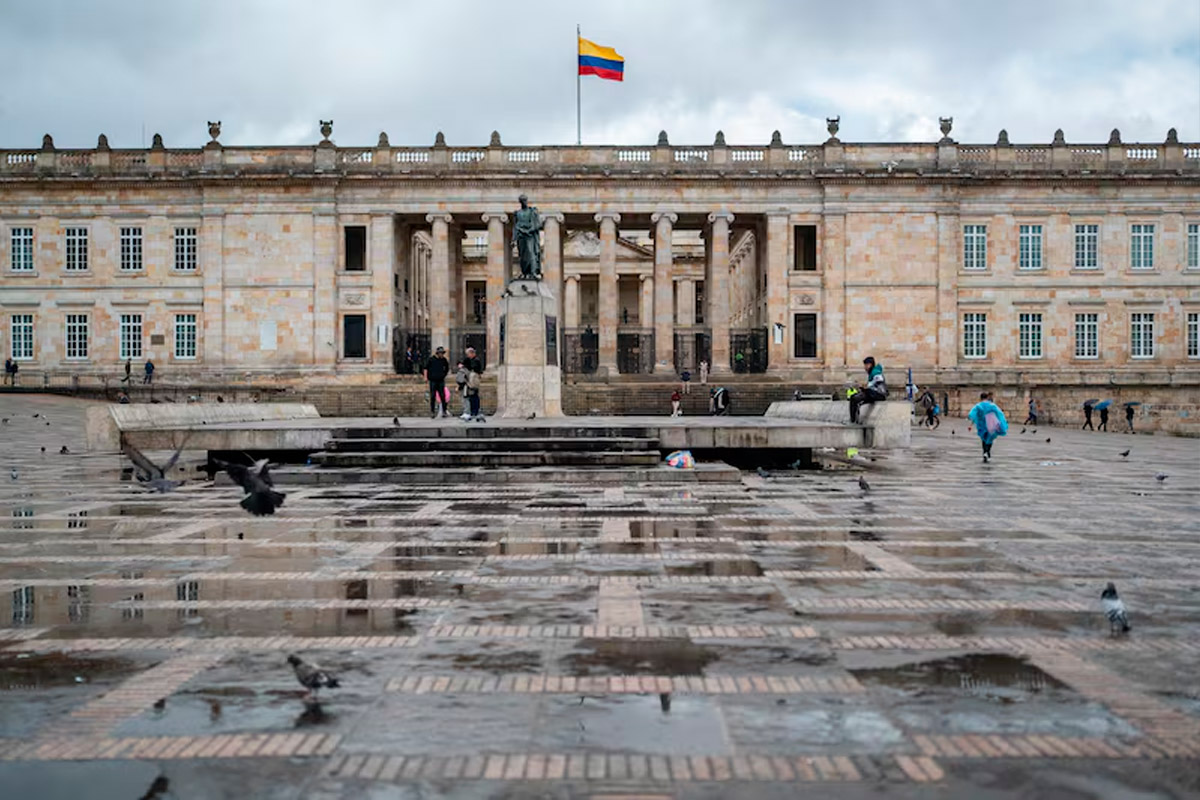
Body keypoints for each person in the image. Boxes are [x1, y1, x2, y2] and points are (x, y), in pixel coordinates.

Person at [968, 391, 1008, 463]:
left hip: (982, 425)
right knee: (990, 438)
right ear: (987, 397)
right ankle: (988, 451)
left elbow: (972, 415)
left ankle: (984, 452)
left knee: (984, 438)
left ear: (980, 398)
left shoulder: (978, 406)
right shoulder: (992, 405)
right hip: (991, 424)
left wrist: (971, 425)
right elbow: (999, 413)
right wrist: (1001, 422)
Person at [849, 356, 887, 424]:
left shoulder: (876, 372)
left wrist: (866, 388)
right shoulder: (872, 373)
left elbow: (878, 383)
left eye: (866, 365)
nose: (865, 367)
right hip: (874, 393)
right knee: (854, 397)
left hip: (878, 394)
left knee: (855, 398)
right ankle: (854, 419)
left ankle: (853, 420)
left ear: (870, 364)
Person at [423, 346, 451, 418]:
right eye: (440, 353)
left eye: (442, 353)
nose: (441, 354)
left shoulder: (444, 360)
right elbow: (426, 368)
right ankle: (432, 411)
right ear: (437, 353)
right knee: (433, 396)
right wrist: (426, 377)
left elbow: (447, 368)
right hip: (433, 380)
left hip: (440, 380)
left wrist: (443, 375)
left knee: (442, 396)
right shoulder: (431, 359)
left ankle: (444, 411)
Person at [462, 346, 485, 422]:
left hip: (474, 381)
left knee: (474, 396)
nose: (468, 356)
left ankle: (475, 411)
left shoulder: (476, 360)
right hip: (471, 380)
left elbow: (474, 368)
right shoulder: (469, 360)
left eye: (468, 354)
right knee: (471, 396)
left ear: (472, 353)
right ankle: (473, 411)